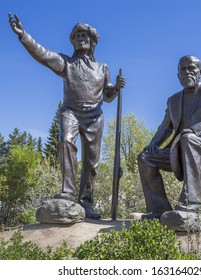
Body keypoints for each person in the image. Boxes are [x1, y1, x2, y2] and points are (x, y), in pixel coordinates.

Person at [8, 13, 125, 219]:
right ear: (73, 40)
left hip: (94, 116)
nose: (81, 38)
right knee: (65, 142)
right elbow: (43, 54)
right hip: (70, 112)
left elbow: (107, 96)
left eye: (85, 36)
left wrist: (116, 87)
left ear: (92, 42)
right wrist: (23, 35)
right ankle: (68, 192)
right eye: (78, 35)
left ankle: (86, 202)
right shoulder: (66, 63)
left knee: (92, 162)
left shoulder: (102, 68)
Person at [137, 55, 201, 220]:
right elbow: (165, 128)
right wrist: (153, 144)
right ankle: (159, 209)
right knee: (145, 158)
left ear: (200, 72)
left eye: (191, 68)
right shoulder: (173, 100)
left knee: (188, 138)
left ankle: (192, 204)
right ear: (178, 75)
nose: (187, 72)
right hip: (179, 149)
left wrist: (195, 129)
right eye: (183, 69)